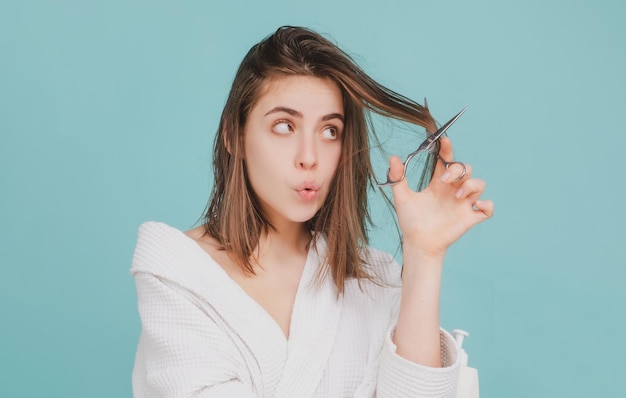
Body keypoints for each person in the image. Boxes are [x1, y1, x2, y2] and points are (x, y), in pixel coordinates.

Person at [130, 26, 494, 398]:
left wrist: (424, 255)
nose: (310, 157)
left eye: (330, 131)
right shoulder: (179, 276)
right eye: (284, 126)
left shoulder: (372, 281)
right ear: (233, 136)